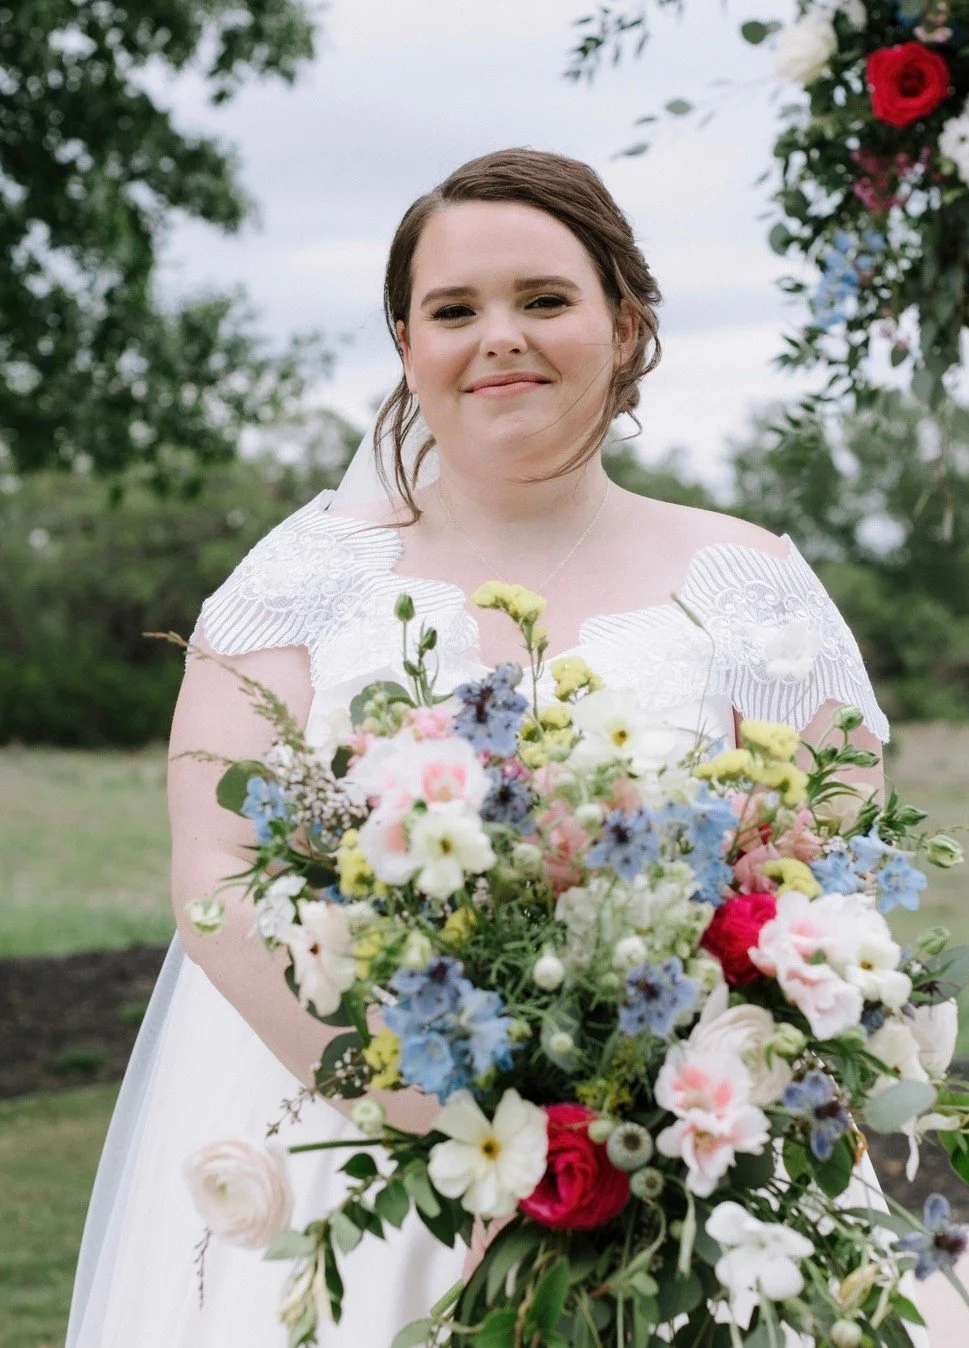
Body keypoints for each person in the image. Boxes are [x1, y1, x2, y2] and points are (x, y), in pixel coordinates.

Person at [65, 147, 917, 1346]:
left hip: (680, 1164)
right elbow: (214, 873)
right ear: (407, 346)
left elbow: (831, 875)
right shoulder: (299, 583)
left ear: (626, 325)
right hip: (352, 1158)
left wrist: (637, 1115)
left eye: (545, 300)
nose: (498, 336)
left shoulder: (752, 582)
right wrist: (459, 1126)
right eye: (454, 310)